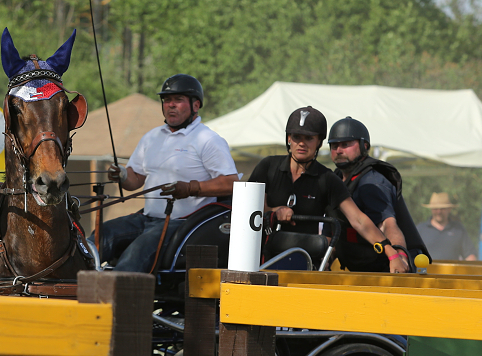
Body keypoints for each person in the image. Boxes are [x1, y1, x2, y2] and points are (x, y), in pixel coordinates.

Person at [98, 74, 239, 272]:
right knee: (98, 238)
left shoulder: (208, 139)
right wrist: (122, 175)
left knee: (134, 256)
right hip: (146, 218)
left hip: (184, 223)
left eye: (178, 100)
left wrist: (191, 188)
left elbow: (231, 183)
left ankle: (117, 299)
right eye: (166, 100)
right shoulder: (151, 137)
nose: (170, 105)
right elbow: (135, 180)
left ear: (196, 105)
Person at [247, 106, 409, 273]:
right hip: (256, 260)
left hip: (304, 265)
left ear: (319, 142)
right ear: (289, 139)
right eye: (296, 137)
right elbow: (245, 208)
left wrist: (392, 255)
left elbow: (359, 220)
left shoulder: (328, 179)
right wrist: (274, 210)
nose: (301, 143)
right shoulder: (268, 167)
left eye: (309, 138)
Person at [328, 117, 415, 272]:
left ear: (364, 146)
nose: (339, 150)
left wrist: (398, 256)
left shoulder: (371, 182)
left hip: (380, 271)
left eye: (345, 144)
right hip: (355, 270)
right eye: (334, 145)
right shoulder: (336, 179)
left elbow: (387, 223)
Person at [416, 193, 477, 261]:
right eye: (435, 209)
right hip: (427, 271)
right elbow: (412, 253)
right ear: (431, 209)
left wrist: (472, 270)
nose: (439, 212)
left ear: (449, 209)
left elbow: (470, 255)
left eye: (442, 209)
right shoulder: (420, 229)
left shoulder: (458, 229)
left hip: (453, 271)